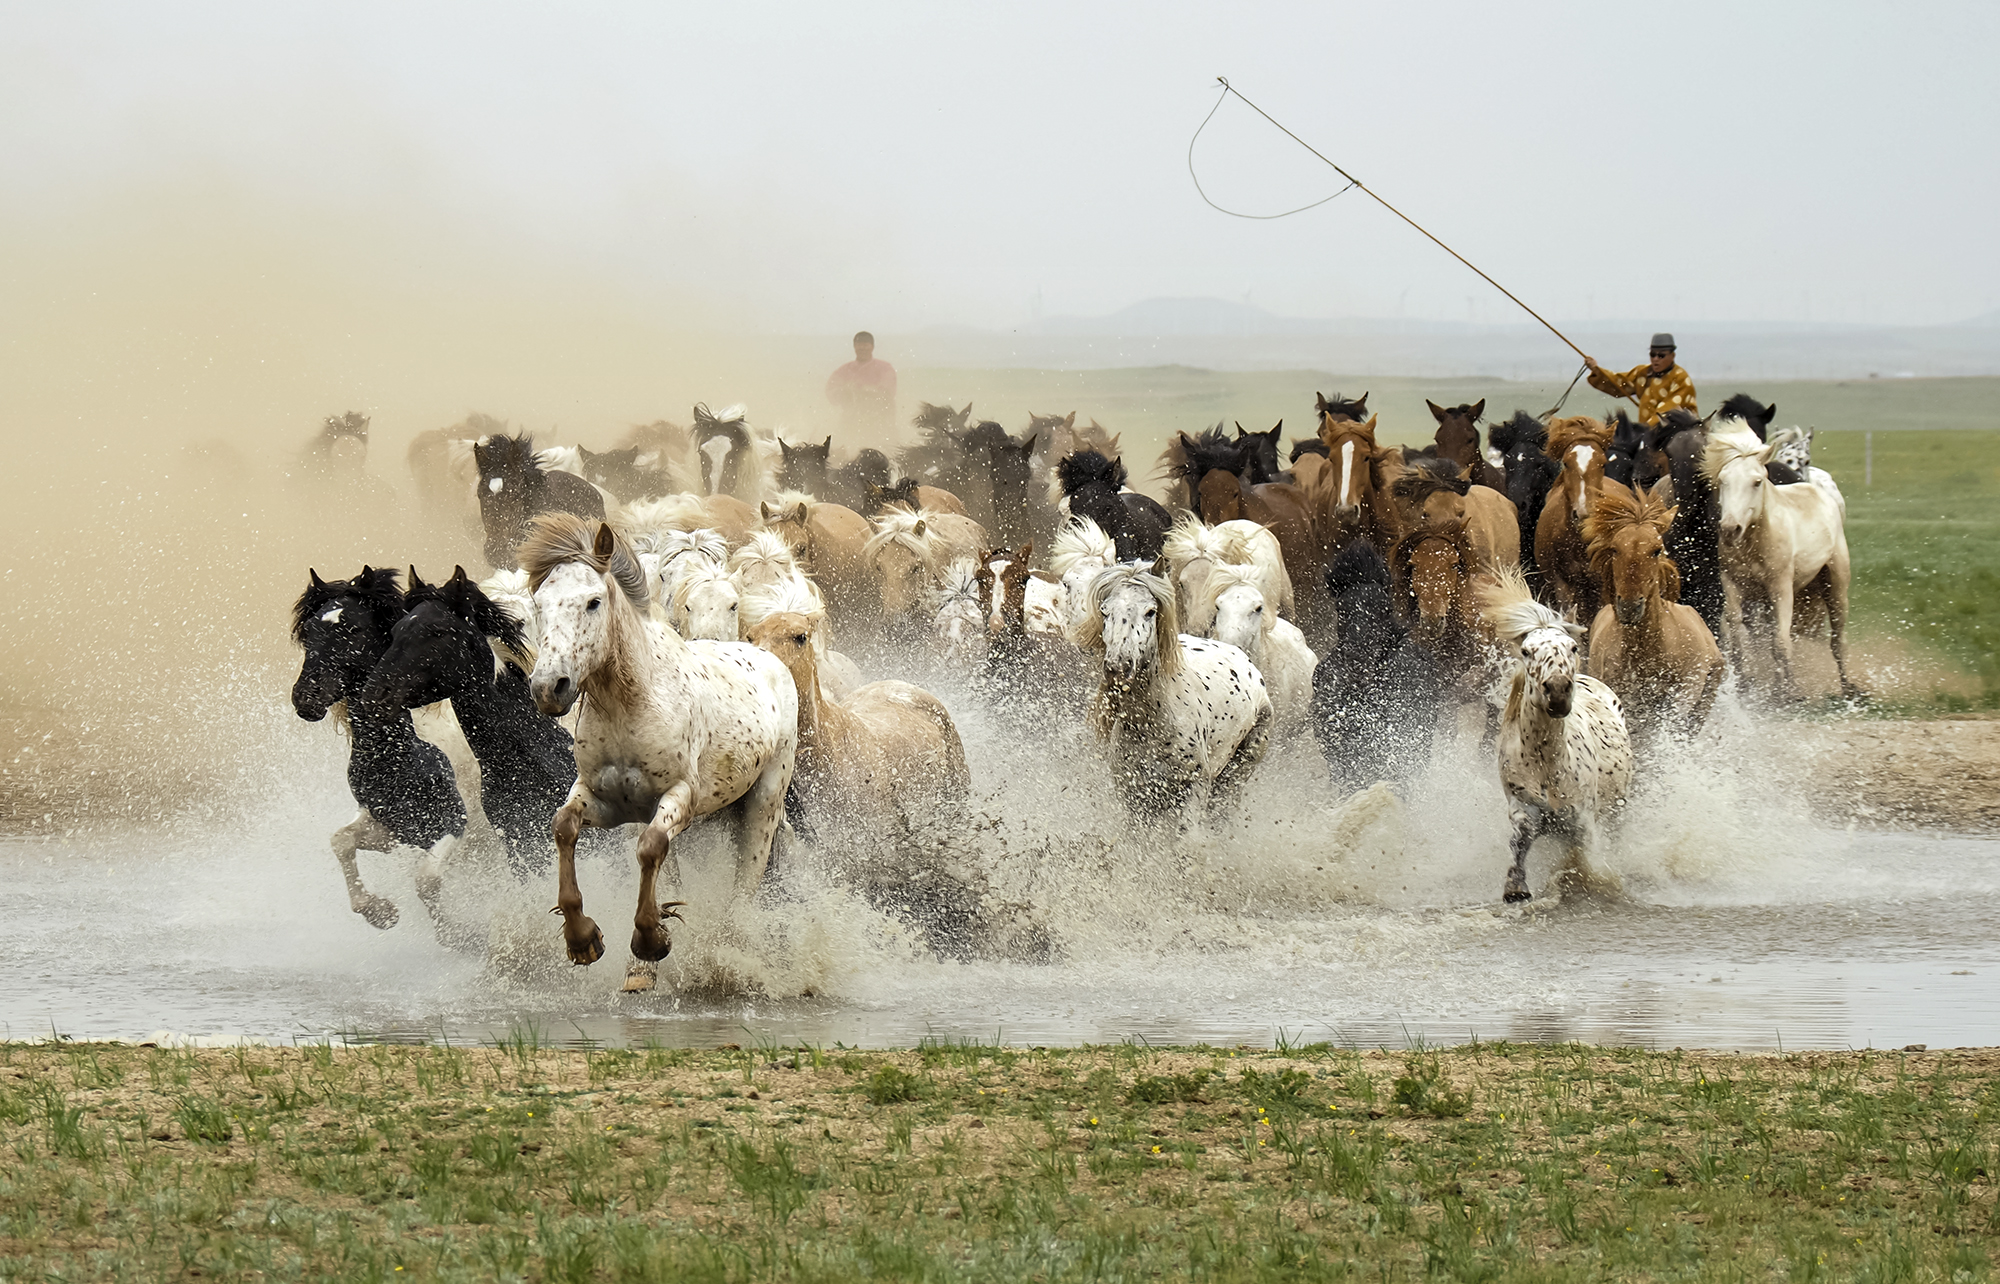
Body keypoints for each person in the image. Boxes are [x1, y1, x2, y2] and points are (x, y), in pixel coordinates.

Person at [1582, 332, 1696, 426]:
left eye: (1661, 356)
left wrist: (1644, 428)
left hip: (1678, 432)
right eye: (1652, 354)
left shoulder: (1681, 378)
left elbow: (1669, 410)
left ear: (1672, 356)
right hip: (1648, 434)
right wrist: (1596, 370)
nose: (1656, 359)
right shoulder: (1642, 373)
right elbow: (1618, 384)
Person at [825, 330, 897, 438]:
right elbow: (831, 391)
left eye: (866, 345)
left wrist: (863, 390)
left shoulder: (885, 368)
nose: (862, 348)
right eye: (859, 345)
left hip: (880, 422)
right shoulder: (845, 370)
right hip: (850, 422)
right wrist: (846, 390)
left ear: (872, 347)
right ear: (854, 347)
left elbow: (888, 390)